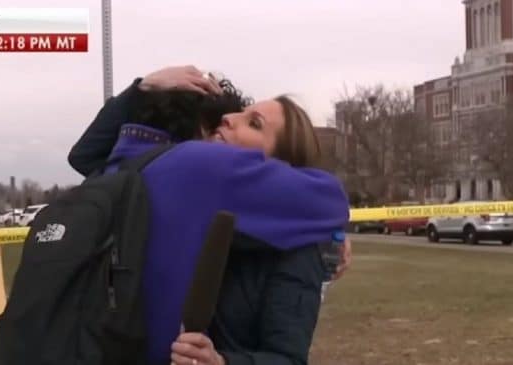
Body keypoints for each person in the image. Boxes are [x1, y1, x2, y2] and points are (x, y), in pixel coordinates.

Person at [68, 66, 352, 365]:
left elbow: (287, 357)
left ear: (279, 167)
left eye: (253, 123)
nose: (228, 119)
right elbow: (88, 158)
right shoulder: (191, 193)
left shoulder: (293, 249)